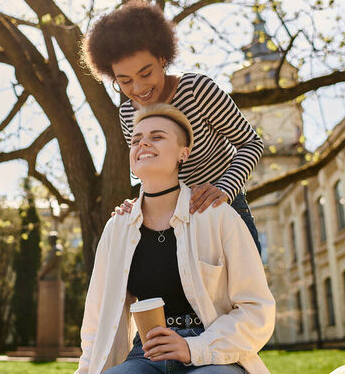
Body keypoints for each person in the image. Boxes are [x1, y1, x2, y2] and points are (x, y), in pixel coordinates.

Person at [76, 104, 275, 374]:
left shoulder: (218, 217)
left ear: (184, 153)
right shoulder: (117, 228)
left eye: (157, 136)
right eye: (136, 140)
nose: (143, 143)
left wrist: (193, 348)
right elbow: (96, 318)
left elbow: (257, 310)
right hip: (145, 354)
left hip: (213, 352)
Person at [80, 0, 264, 253]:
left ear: (162, 58)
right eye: (125, 81)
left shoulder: (197, 90)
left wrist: (224, 189)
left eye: (146, 74)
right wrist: (137, 205)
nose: (139, 88)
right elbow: (149, 174)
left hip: (225, 210)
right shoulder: (127, 113)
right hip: (171, 224)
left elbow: (251, 143)